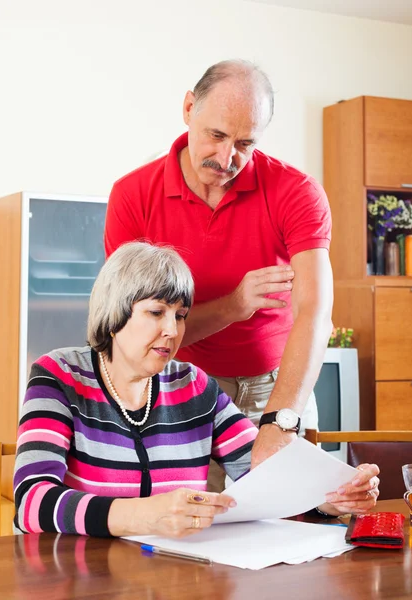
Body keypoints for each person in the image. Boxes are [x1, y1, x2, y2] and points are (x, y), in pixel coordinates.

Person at [14, 242, 379, 537]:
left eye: (180, 315)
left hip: (177, 578)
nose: (172, 330)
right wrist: (143, 515)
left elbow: (266, 478)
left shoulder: (193, 386)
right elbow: (32, 501)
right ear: (114, 314)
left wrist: (332, 499)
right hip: (80, 578)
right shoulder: (58, 376)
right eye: (156, 312)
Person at [104, 59, 333, 492]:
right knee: (184, 535)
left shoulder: (296, 191)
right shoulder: (133, 196)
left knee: (292, 526)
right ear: (189, 108)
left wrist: (281, 421)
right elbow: (133, 331)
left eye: (245, 142)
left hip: (277, 388)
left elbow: (315, 312)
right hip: (180, 386)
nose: (227, 158)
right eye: (217, 135)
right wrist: (235, 305)